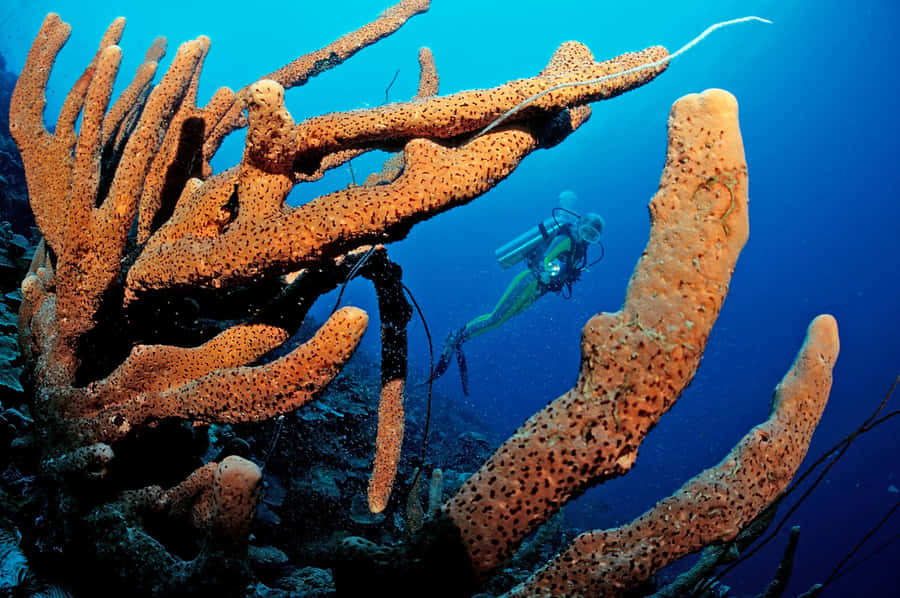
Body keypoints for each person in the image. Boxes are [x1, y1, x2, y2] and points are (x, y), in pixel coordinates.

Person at [431, 191, 605, 395]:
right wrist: (549, 272)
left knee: (499, 321)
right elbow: (548, 259)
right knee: (495, 317)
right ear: (579, 224)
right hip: (529, 282)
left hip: (537, 291)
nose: (586, 237)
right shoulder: (567, 240)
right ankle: (455, 338)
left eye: (592, 236)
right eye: (586, 231)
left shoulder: (579, 250)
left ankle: (460, 339)